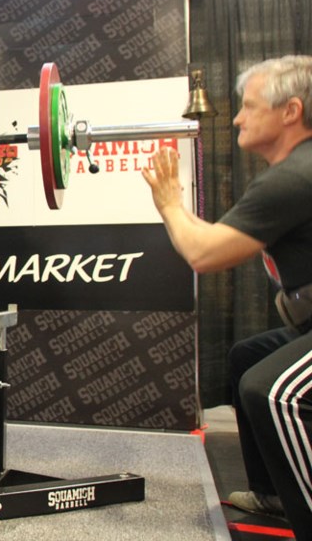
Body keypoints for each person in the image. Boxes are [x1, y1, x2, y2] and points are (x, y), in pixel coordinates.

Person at [141, 55, 312, 537]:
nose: (236, 117)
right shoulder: (292, 171)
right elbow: (216, 239)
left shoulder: (294, 177)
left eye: (249, 106)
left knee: (272, 391)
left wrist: (171, 204)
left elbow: (202, 254)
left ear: (290, 111)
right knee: (247, 358)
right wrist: (171, 204)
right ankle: (272, 494)